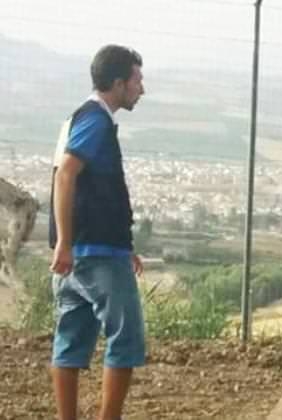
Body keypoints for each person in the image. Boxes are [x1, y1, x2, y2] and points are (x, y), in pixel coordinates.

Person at [49, 44, 146, 420]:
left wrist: (125, 246)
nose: (142, 88)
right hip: (95, 255)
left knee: (70, 341)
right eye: (137, 79)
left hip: (86, 253)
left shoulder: (77, 118)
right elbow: (67, 174)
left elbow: (93, 189)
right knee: (126, 338)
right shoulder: (96, 120)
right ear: (119, 83)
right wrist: (65, 243)